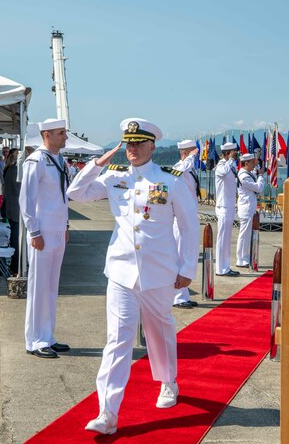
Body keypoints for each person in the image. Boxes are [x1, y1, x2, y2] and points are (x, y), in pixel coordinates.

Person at [67, 117, 199, 435]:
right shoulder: (114, 177)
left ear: (153, 146)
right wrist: (98, 162)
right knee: (117, 340)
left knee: (160, 331)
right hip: (121, 271)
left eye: (139, 143)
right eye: (128, 143)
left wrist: (187, 269)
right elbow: (75, 192)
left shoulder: (173, 179)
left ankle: (168, 382)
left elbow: (189, 225)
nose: (132, 149)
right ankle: (107, 412)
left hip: (160, 272)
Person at [19, 118, 70, 359]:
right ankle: (35, 340)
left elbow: (62, 197)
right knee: (39, 287)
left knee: (51, 286)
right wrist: (34, 231)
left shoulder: (59, 160)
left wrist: (66, 225)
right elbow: (26, 200)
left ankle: (48, 336)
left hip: (58, 230)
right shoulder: (36, 160)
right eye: (61, 133)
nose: (65, 137)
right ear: (47, 135)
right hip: (42, 232)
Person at [172, 139, 200, 309]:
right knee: (180, 257)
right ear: (185, 152)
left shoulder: (189, 168)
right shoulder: (178, 167)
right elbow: (182, 168)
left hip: (189, 216)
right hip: (180, 219)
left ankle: (184, 294)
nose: (195, 156)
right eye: (192, 152)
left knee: (187, 255)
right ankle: (178, 297)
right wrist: (189, 157)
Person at [214, 142, 240, 277]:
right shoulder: (221, 166)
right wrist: (230, 159)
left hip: (229, 205)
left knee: (227, 239)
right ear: (228, 153)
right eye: (233, 152)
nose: (236, 154)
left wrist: (231, 160)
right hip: (223, 206)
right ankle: (220, 268)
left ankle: (225, 266)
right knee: (222, 239)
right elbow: (223, 172)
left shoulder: (231, 165)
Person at [236, 153, 265, 268]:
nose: (254, 165)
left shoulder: (247, 173)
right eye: (252, 163)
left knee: (246, 235)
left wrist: (258, 166)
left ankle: (244, 257)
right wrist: (261, 176)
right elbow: (258, 188)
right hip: (246, 208)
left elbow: (254, 173)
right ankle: (241, 259)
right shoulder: (244, 176)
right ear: (246, 163)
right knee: (244, 235)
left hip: (248, 207)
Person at [3, 149, 20, 274]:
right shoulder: (16, 170)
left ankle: (15, 266)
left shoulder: (10, 169)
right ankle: (15, 267)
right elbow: (20, 191)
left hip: (12, 209)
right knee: (17, 240)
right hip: (17, 210)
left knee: (15, 239)